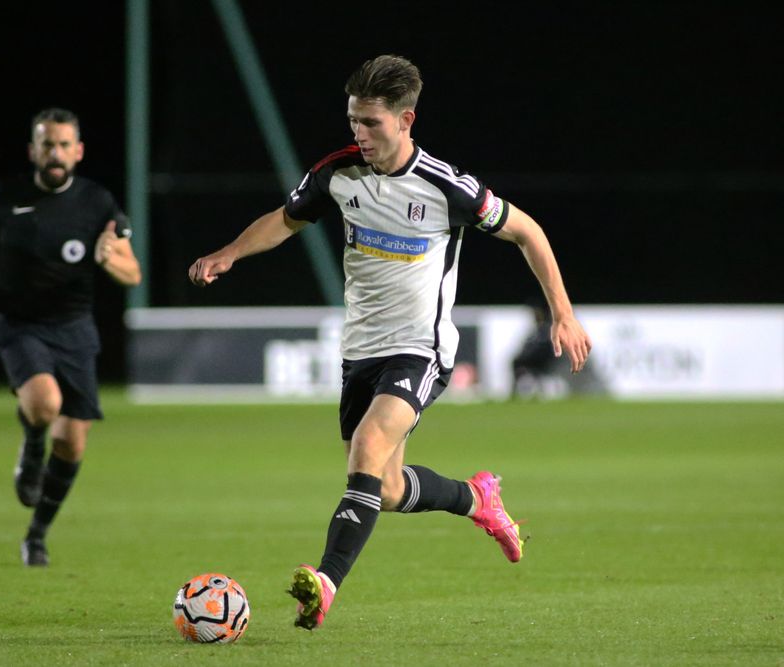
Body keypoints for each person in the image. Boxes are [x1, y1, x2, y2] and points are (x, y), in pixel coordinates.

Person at [188, 55, 591, 629]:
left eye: (371, 123)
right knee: (389, 485)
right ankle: (479, 500)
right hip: (361, 350)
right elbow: (285, 218)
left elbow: (527, 231)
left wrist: (563, 313)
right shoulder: (338, 173)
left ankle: (324, 583)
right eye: (353, 120)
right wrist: (228, 252)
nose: (359, 133)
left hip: (420, 348)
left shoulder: (446, 186)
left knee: (368, 446)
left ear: (406, 120)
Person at [0, 108, 141, 567]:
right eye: (46, 144)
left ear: (77, 151)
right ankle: (31, 444)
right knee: (44, 405)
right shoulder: (8, 194)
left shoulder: (97, 203)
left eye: (63, 145)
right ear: (33, 150)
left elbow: (132, 272)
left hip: (75, 330)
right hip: (20, 325)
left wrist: (107, 259)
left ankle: (36, 534)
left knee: (73, 445)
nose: (54, 153)